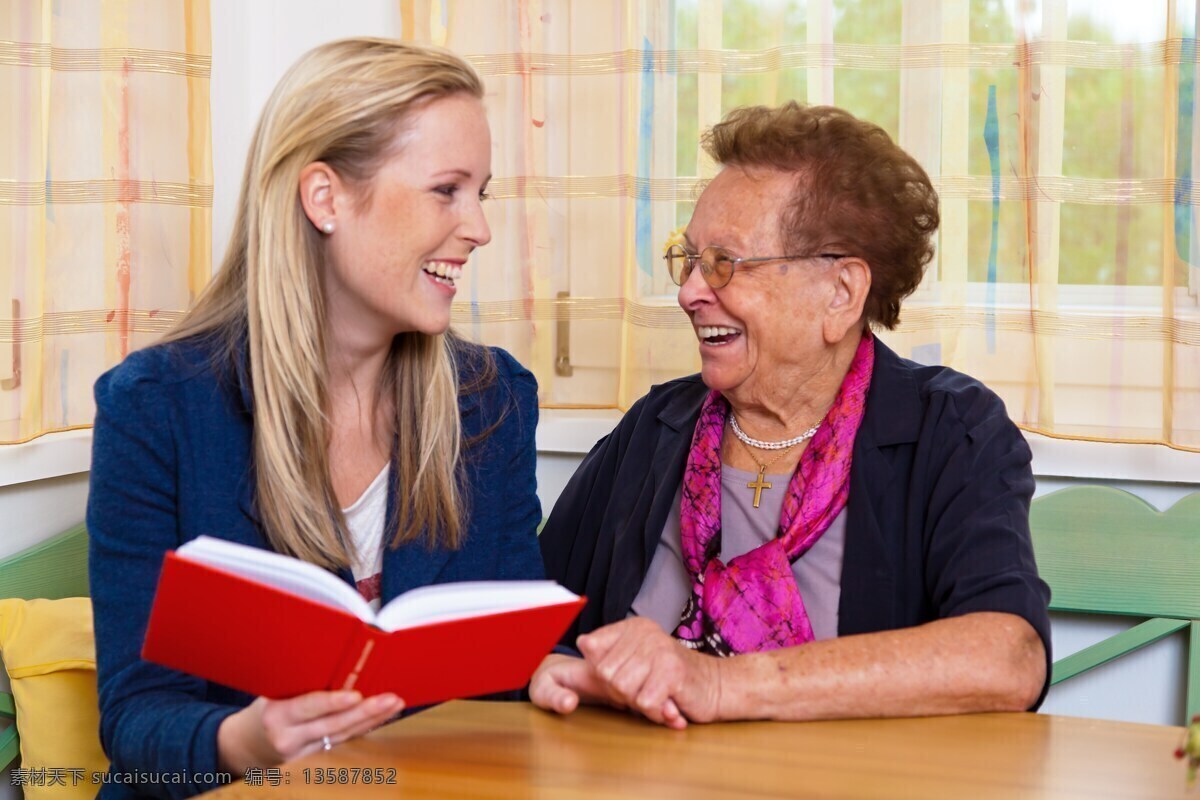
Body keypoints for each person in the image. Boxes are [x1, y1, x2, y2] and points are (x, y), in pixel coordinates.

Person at [87, 38, 543, 798]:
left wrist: (562, 670)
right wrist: (243, 741)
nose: (479, 229)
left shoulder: (491, 402)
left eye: (481, 194)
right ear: (325, 198)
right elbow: (135, 718)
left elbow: (509, 662)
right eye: (446, 190)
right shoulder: (154, 407)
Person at [531, 102, 1051, 729]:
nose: (690, 292)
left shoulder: (949, 431)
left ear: (841, 293)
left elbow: (1007, 659)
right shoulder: (657, 426)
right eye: (689, 258)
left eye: (724, 262)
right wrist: (554, 670)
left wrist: (719, 684)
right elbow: (535, 620)